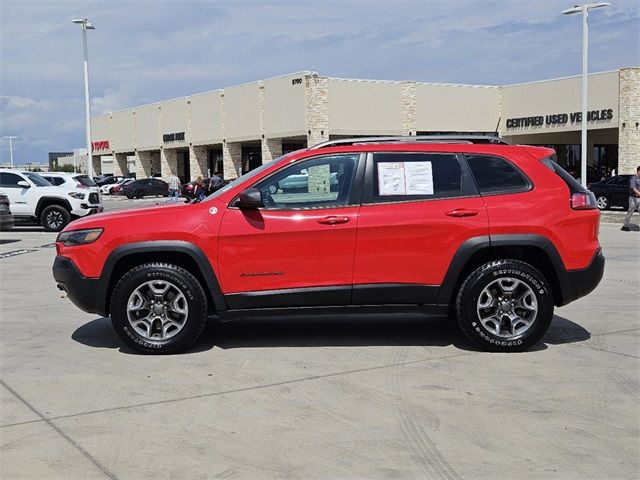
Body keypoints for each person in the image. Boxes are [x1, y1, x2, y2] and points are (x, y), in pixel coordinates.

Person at [621, 165, 640, 231]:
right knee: (630, 212)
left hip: (639, 198)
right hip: (633, 198)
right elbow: (633, 188)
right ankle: (625, 226)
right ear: (638, 171)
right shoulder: (633, 178)